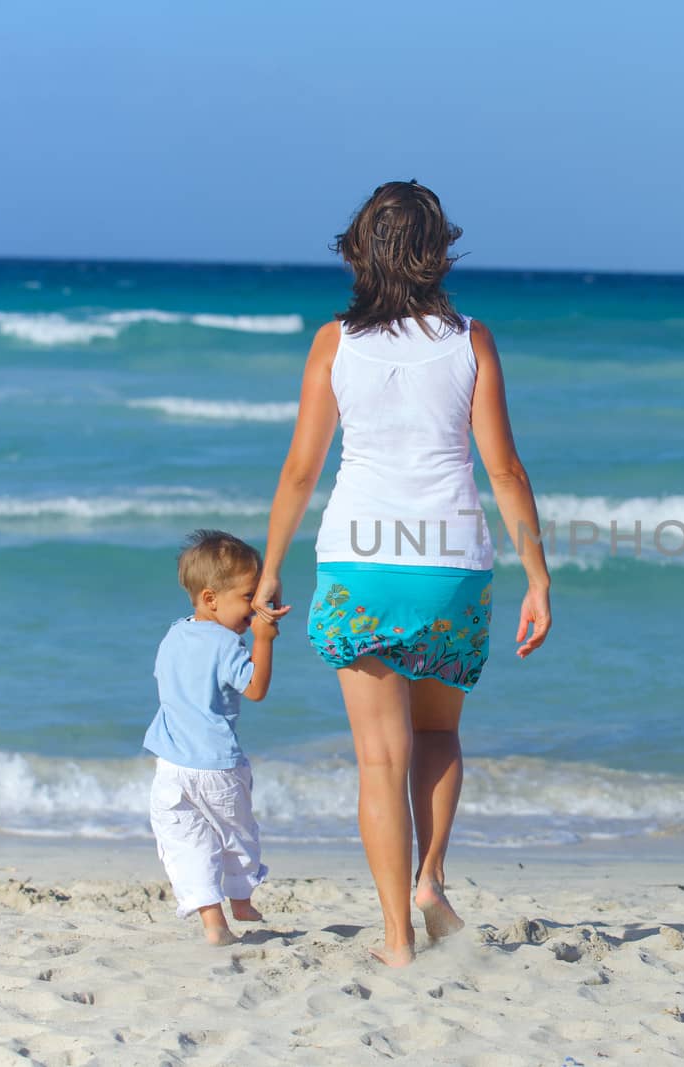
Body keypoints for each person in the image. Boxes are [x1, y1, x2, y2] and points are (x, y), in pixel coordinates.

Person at [253, 180, 552, 967]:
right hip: (450, 565)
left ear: (360, 251)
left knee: (378, 758)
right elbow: (506, 469)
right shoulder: (469, 340)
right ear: (438, 250)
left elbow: (298, 471)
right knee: (438, 733)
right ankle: (430, 880)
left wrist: (271, 567)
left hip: (359, 564)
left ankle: (394, 939)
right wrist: (539, 574)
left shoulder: (334, 343)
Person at [144, 529, 279, 946]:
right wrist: (263, 639)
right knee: (237, 835)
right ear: (210, 598)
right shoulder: (227, 643)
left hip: (170, 767)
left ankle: (213, 922)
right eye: (248, 597)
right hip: (219, 767)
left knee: (186, 844)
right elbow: (255, 689)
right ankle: (240, 899)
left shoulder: (173, 635)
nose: (255, 607)